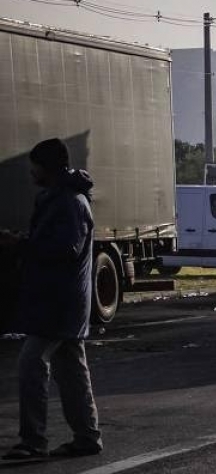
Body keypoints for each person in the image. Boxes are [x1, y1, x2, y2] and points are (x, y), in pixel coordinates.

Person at [1, 138, 103, 460]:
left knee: (31, 363)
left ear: (48, 167)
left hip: (60, 302)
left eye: (35, 165)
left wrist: (20, 246)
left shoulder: (70, 202)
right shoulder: (60, 198)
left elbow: (66, 249)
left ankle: (33, 441)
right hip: (62, 300)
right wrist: (23, 241)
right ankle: (87, 437)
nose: (31, 171)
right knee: (72, 370)